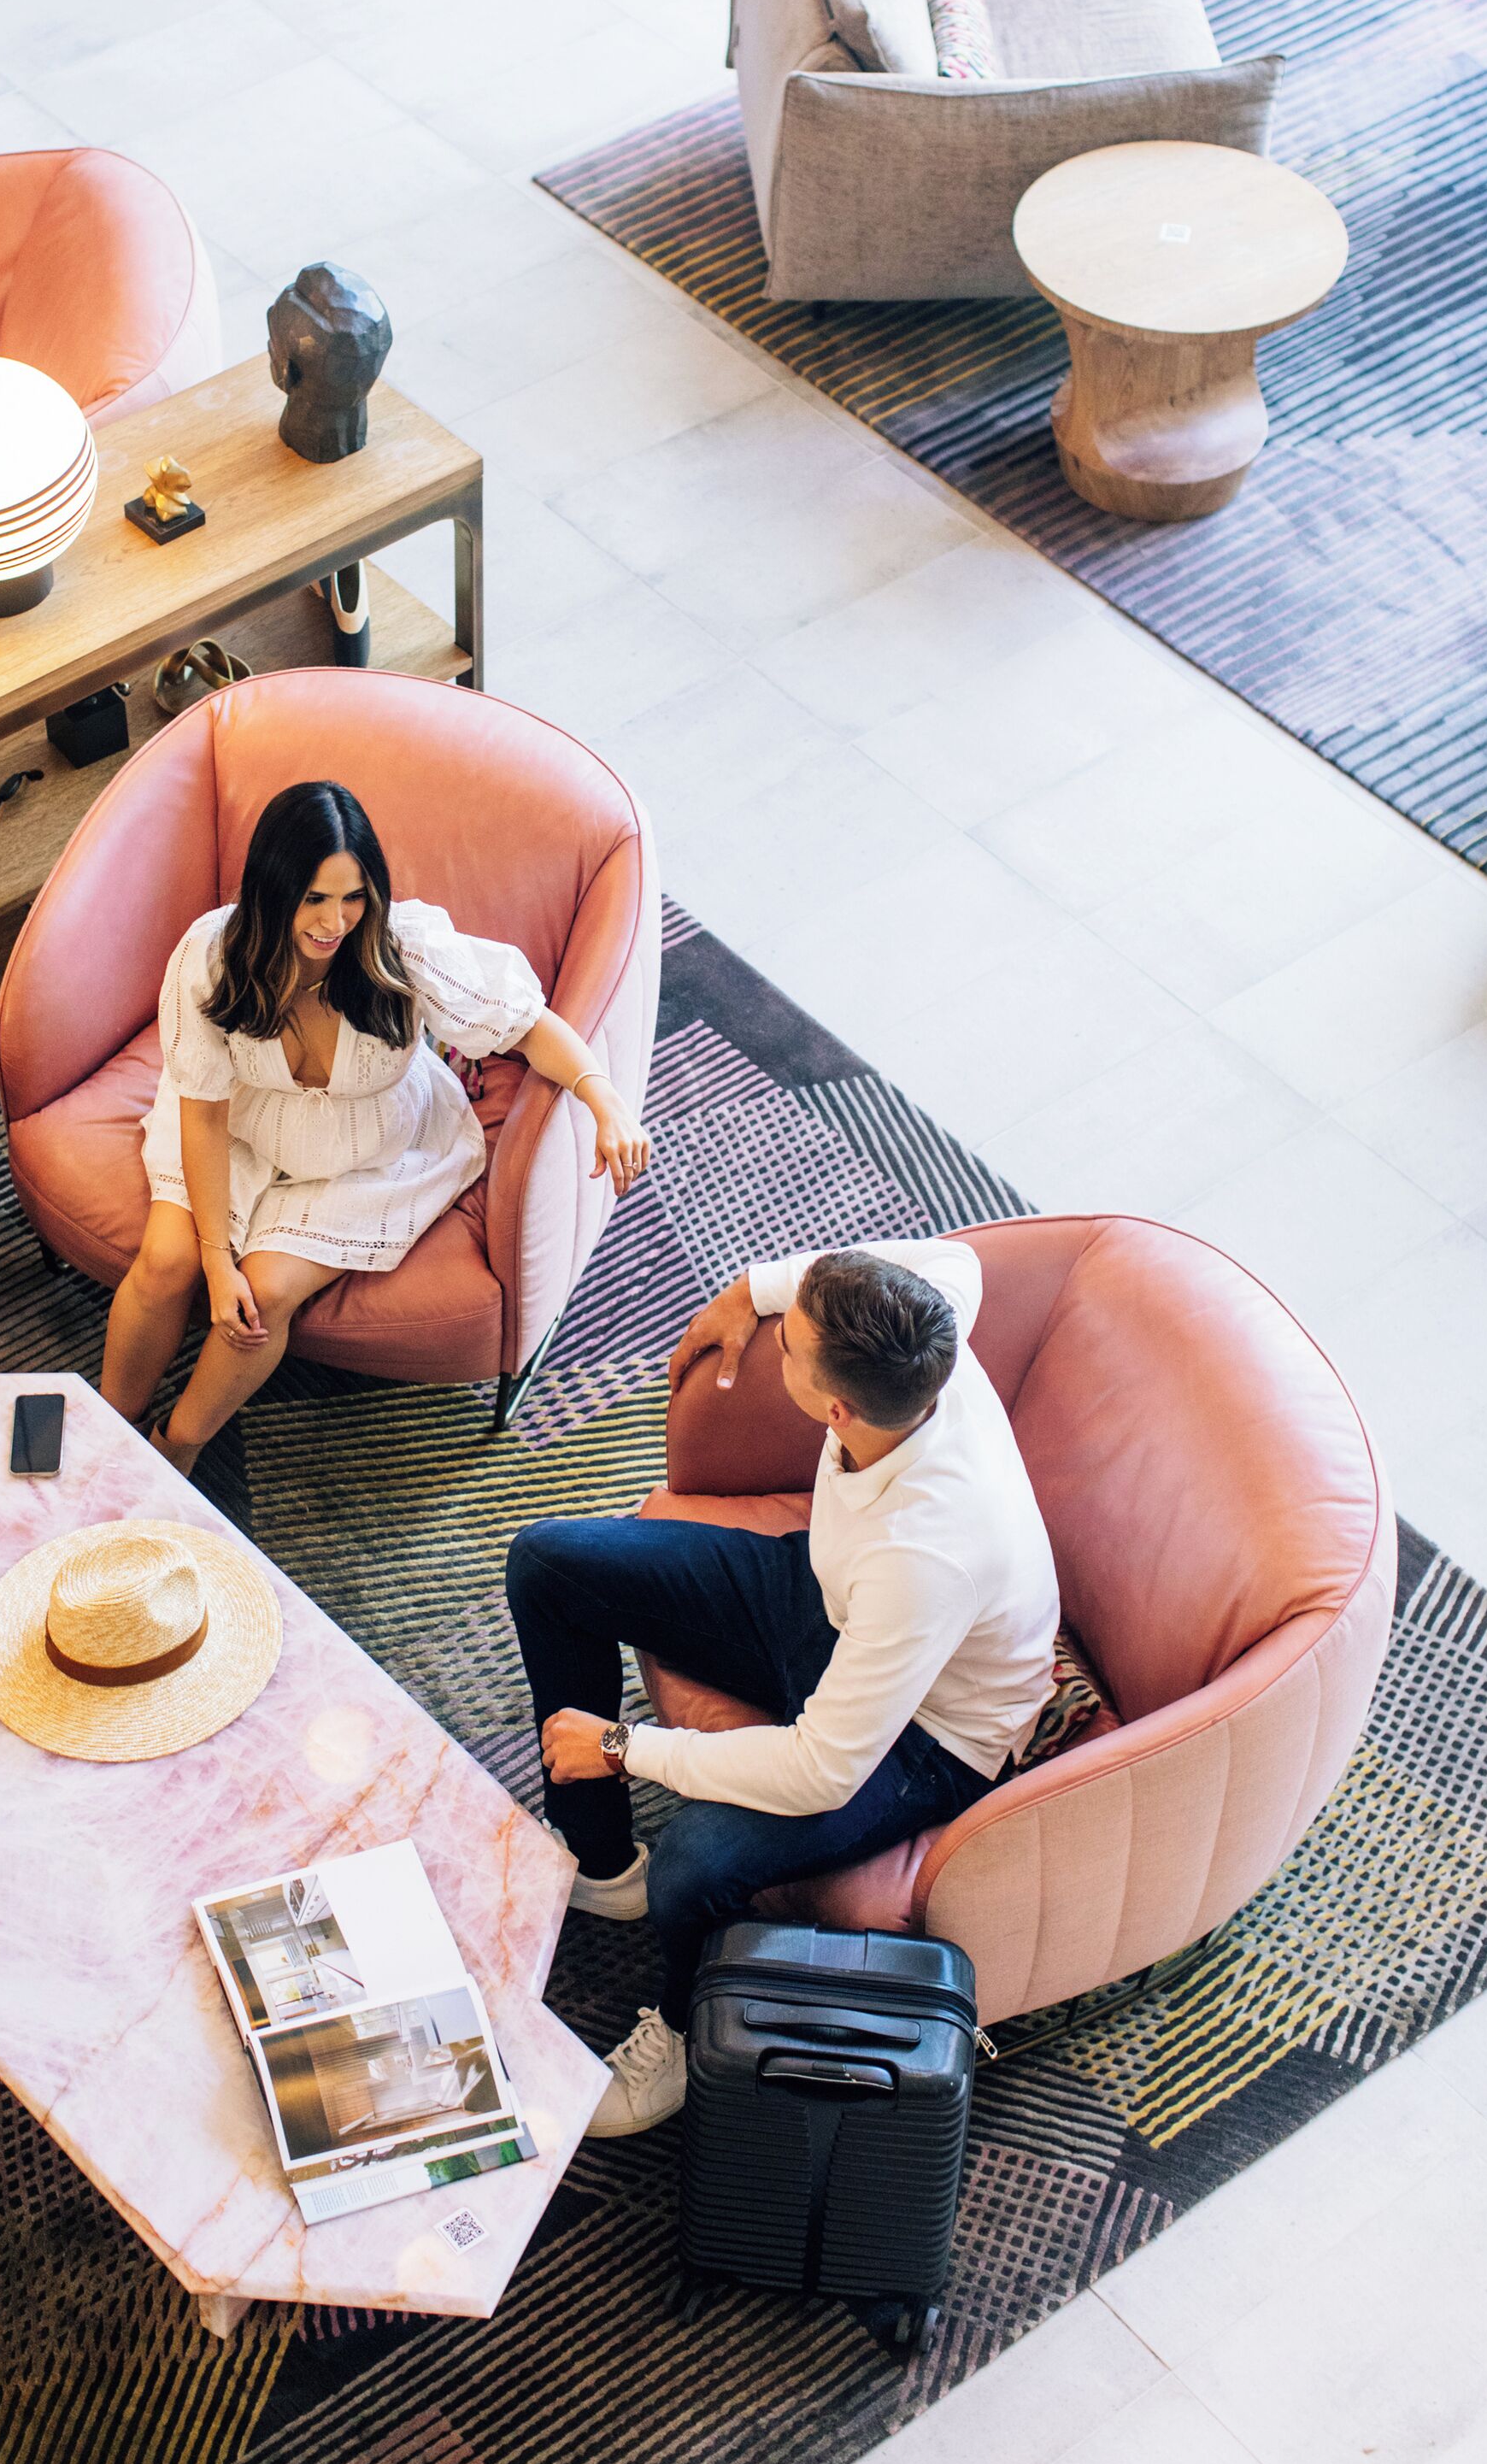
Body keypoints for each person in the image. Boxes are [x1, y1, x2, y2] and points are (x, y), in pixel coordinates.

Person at [506, 1236, 1058, 2137]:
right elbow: (953, 1261)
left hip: (928, 1735)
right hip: (829, 1596)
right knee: (547, 1565)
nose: (773, 1343)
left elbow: (821, 1772)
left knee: (695, 1863)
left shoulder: (927, 1554)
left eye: (786, 1345)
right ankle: (604, 1864)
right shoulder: (932, 1322)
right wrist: (750, 1289)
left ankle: (682, 2034)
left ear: (833, 1407)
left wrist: (622, 1747)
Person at [101, 778, 650, 1465]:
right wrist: (216, 1259)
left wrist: (605, 1101)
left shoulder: (401, 949)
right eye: (315, 900)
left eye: (354, 897)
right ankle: (109, 1434)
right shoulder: (211, 957)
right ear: (273, 891)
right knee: (166, 1264)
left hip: (367, 1149)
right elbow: (206, 1116)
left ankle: (173, 1448)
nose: (336, 922)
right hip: (239, 1128)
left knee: (265, 1296)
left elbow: (528, 1027)